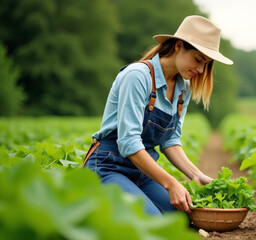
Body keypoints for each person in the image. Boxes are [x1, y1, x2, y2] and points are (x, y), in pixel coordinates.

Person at [83, 15, 233, 215]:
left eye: (205, 64)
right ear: (179, 46)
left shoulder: (183, 89)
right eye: (198, 60)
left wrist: (196, 174)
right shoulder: (137, 77)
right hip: (108, 166)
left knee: (181, 214)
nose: (200, 69)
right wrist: (171, 183)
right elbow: (128, 142)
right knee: (152, 220)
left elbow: (170, 139)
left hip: (142, 172)